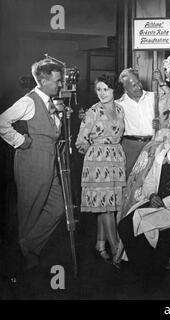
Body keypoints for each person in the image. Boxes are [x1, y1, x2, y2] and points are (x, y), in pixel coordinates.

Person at [117, 119, 170, 278]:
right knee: (124, 224)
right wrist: (152, 195)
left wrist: (165, 202)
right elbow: (149, 180)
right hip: (155, 202)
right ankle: (145, 267)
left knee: (138, 226)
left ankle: (148, 273)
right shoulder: (162, 153)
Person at [0, 58, 65, 270]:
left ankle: (27, 245)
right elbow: (2, 121)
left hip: (49, 160)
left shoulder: (51, 102)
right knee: (30, 209)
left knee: (57, 207)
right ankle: (26, 257)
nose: (60, 84)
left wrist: (59, 115)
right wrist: (19, 140)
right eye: (57, 81)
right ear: (43, 80)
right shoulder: (28, 101)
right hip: (32, 160)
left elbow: (53, 132)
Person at [75, 76, 126, 266]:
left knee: (109, 205)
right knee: (106, 209)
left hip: (116, 159)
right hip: (98, 161)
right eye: (99, 89)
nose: (102, 93)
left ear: (114, 91)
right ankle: (115, 249)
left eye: (106, 89)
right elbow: (81, 140)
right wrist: (95, 152)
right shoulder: (93, 111)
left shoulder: (120, 109)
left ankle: (100, 244)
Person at [116, 68, 158, 177]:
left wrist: (161, 123)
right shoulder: (119, 104)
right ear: (126, 88)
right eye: (134, 85)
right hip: (130, 147)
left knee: (150, 179)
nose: (139, 87)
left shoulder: (153, 97)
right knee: (129, 180)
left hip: (152, 145)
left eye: (139, 82)